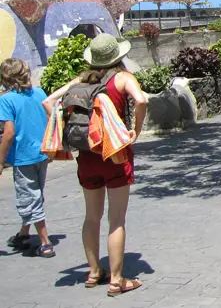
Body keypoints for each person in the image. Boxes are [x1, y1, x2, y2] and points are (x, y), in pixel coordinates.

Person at [43, 34, 146, 297]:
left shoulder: (82, 79)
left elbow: (49, 102)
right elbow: (142, 100)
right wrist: (135, 130)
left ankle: (92, 272)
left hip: (87, 158)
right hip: (116, 155)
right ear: (117, 55)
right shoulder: (123, 78)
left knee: (91, 216)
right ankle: (117, 279)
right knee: (117, 219)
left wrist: (65, 130)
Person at [0, 58, 54, 258]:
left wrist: (1, 160)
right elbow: (51, 118)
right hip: (41, 153)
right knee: (35, 194)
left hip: (23, 157)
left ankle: (45, 242)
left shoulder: (6, 100)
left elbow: (9, 133)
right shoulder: (39, 93)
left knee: (29, 196)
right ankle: (24, 234)